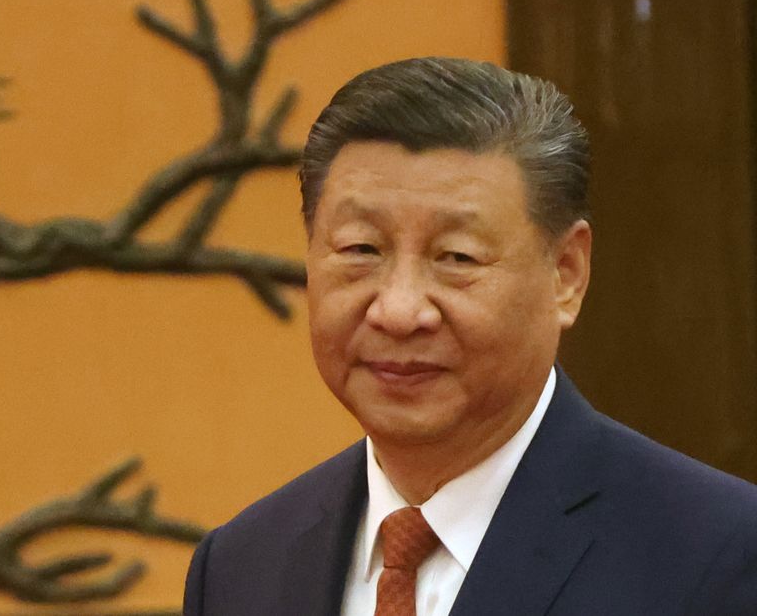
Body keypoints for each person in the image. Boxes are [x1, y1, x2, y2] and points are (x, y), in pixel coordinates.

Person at [182, 57, 757, 615]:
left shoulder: (717, 554)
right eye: (361, 249)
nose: (400, 311)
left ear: (566, 274)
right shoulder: (240, 565)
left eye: (457, 256)